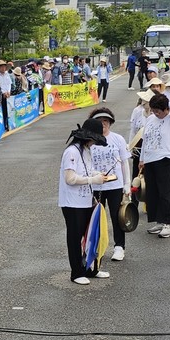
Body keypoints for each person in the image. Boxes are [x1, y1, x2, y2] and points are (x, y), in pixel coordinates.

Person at [60, 119, 112, 285]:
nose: (95, 143)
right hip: (72, 202)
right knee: (75, 238)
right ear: (87, 137)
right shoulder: (72, 152)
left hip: (85, 200)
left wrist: (99, 175)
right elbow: (70, 178)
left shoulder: (86, 150)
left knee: (91, 236)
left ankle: (91, 268)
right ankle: (76, 272)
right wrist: (93, 179)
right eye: (94, 139)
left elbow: (87, 171)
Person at [87, 109, 129, 262]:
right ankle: (97, 246)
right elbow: (85, 164)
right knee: (96, 218)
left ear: (110, 123)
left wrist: (127, 184)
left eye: (106, 121)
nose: (103, 124)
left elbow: (124, 163)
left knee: (117, 217)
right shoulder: (89, 141)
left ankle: (119, 247)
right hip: (96, 185)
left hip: (115, 185)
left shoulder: (117, 139)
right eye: (99, 121)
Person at [138, 94, 170, 238]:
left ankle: (168, 223)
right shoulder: (150, 119)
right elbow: (145, 140)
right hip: (149, 159)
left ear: (166, 109)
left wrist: (165, 103)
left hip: (164, 158)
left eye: (159, 111)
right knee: (152, 193)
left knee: (164, 192)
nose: (156, 113)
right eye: (153, 110)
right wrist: (141, 159)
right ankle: (160, 221)